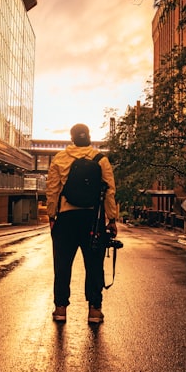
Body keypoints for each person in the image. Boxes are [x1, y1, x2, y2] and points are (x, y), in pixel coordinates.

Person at [46, 123, 117, 324]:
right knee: (94, 266)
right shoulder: (101, 160)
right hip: (93, 220)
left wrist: (52, 216)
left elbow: (52, 190)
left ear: (71, 138)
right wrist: (111, 219)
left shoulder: (60, 159)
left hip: (66, 220)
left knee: (62, 266)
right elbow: (110, 191)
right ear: (90, 137)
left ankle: (60, 308)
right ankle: (94, 310)